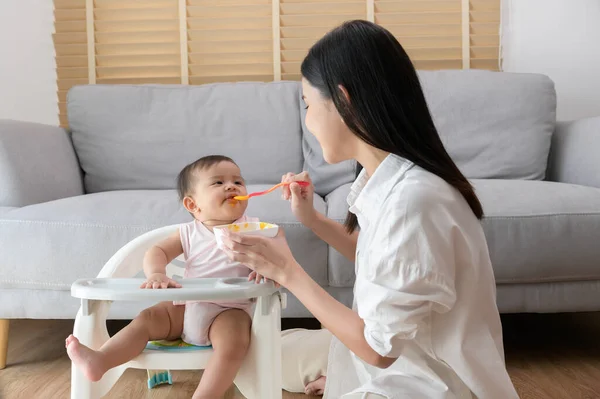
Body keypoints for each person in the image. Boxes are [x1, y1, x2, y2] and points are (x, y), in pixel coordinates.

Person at [220, 20, 520, 398]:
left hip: (428, 382)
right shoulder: (394, 182)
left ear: (344, 101)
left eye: (309, 105)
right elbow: (381, 256)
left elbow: (378, 350)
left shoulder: (414, 202)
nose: (308, 121)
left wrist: (287, 271)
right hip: (397, 354)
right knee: (250, 356)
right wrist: (311, 219)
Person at [66, 155, 266, 399]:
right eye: (217, 183)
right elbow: (156, 252)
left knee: (234, 344)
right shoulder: (188, 232)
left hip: (229, 310)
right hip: (185, 308)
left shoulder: (253, 229)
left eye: (238, 181)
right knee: (148, 318)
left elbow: (272, 256)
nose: (231, 186)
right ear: (193, 205)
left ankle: (205, 395)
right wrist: (157, 273)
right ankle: (101, 360)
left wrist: (264, 268)